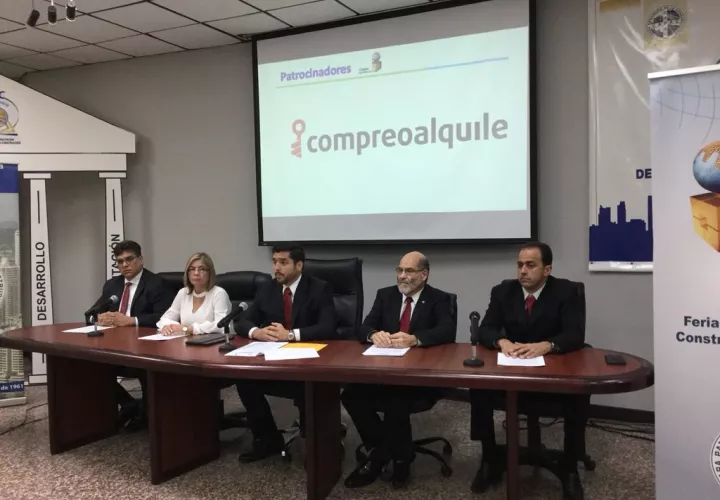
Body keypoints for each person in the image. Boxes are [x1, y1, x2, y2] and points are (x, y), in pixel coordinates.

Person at [469, 242, 586, 500]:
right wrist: (502, 341)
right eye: (520, 265)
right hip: (514, 368)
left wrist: (547, 345)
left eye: (530, 265)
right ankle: (489, 457)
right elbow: (487, 328)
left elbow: (575, 334)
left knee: (579, 393)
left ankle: (569, 467)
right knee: (478, 386)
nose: (523, 271)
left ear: (547, 269)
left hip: (552, 370)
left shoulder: (566, 291)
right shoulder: (503, 291)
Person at [342, 251, 455, 489]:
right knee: (351, 395)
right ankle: (380, 450)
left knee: (396, 400)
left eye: (409, 271)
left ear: (424, 275)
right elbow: (363, 327)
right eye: (400, 270)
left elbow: (446, 331)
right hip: (384, 371)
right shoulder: (386, 295)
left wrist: (414, 339)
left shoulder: (439, 299)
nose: (402, 276)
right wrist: (373, 334)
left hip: (420, 377)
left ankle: (401, 459)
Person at [234, 244, 337, 462]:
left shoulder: (319, 288)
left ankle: (316, 443)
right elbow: (243, 321)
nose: (276, 268)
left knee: (309, 385)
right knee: (244, 380)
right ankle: (267, 438)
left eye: (283, 262)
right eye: (274, 262)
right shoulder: (268, 289)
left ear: (299, 265)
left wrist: (289, 335)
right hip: (276, 360)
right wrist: (257, 332)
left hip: (309, 362)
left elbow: (328, 327)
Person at [87, 240, 174, 430]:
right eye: (120, 261)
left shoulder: (157, 284)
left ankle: (147, 415)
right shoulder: (112, 285)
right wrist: (99, 318)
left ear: (140, 259)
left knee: (145, 367)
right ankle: (128, 404)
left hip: (146, 346)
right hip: (114, 343)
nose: (125, 265)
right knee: (88, 365)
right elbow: (93, 312)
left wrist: (131, 320)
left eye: (129, 259)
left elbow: (165, 317)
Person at [157, 252, 232, 336]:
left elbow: (222, 325)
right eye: (192, 269)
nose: (196, 273)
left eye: (202, 269)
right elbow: (164, 319)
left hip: (216, 342)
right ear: (187, 273)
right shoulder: (183, 292)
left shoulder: (219, 293)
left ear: (210, 273)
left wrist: (190, 329)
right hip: (187, 341)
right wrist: (167, 326)